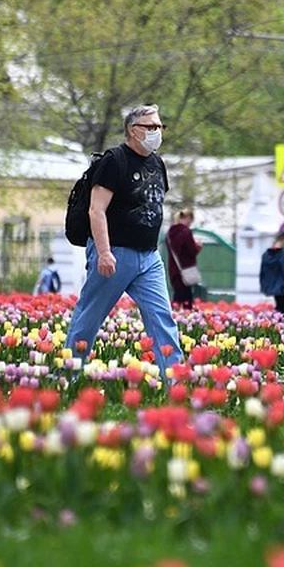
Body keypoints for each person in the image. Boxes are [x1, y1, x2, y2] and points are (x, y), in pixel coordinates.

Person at [64, 103, 184, 379]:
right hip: (115, 254)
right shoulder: (114, 161)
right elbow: (97, 210)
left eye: (159, 127)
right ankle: (65, 380)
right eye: (151, 127)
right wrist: (104, 252)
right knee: (88, 320)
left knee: (162, 320)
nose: (157, 132)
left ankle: (177, 385)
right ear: (133, 130)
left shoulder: (156, 163)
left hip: (149, 258)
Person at [165, 208, 203, 310]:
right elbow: (192, 251)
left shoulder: (169, 233)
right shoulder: (186, 232)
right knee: (186, 300)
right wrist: (198, 246)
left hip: (174, 269)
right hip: (185, 270)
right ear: (188, 218)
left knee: (178, 296)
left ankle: (174, 315)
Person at [260, 232, 284, 315]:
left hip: (270, 288)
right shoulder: (283, 255)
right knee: (282, 312)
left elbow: (262, 272)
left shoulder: (265, 255)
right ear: (283, 241)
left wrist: (263, 286)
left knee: (276, 311)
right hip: (283, 289)